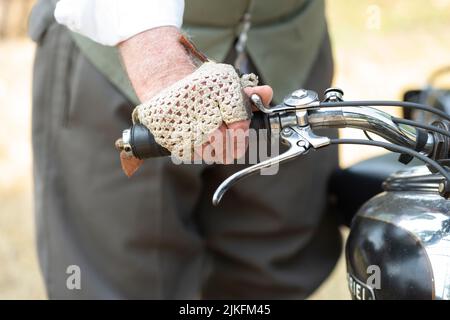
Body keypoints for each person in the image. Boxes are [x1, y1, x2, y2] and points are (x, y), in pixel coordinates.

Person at [28, 0, 341, 299]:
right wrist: (155, 57)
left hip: (289, 52)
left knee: (273, 279)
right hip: (121, 56)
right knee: (125, 282)